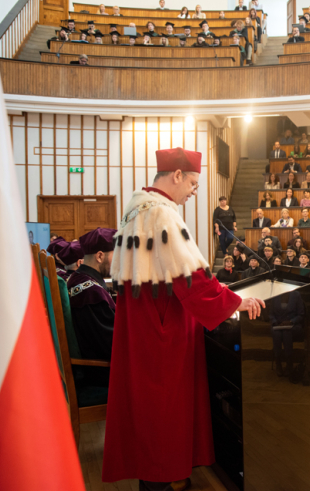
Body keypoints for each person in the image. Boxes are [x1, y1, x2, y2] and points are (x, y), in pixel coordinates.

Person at [103, 149, 263, 488]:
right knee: (165, 407)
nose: (194, 190)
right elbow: (189, 278)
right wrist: (235, 301)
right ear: (176, 175)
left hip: (140, 319)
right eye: (192, 182)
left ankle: (153, 476)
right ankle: (161, 477)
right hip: (163, 324)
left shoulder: (134, 210)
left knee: (147, 407)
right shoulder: (162, 214)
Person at [65, 228, 116, 362]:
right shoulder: (91, 293)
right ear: (99, 256)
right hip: (99, 371)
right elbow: (112, 345)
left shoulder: (78, 278)